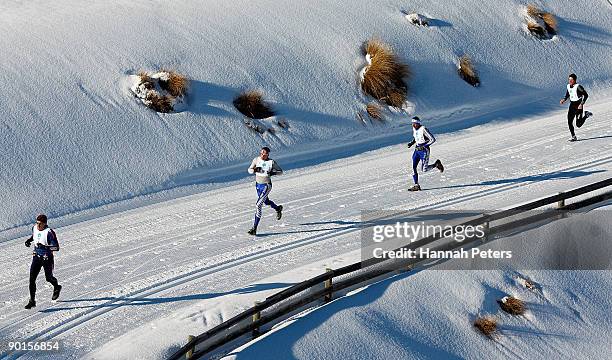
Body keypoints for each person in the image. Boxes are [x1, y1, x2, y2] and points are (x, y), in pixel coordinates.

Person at [24, 214, 62, 309]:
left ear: (45, 224)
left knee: (48, 278)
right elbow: (35, 236)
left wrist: (45, 247)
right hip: (36, 256)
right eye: (37, 223)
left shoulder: (49, 232)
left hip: (47, 258)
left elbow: (56, 247)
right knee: (32, 279)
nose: (38, 225)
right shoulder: (34, 228)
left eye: (40, 224)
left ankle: (57, 287)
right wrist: (29, 240)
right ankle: (32, 301)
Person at [247, 147, 283, 235]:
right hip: (258, 185)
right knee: (266, 202)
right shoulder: (256, 160)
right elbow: (249, 170)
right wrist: (255, 169)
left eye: (265, 154)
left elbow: (281, 171)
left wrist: (273, 173)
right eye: (261, 153)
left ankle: (254, 228)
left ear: (268, 155)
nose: (263, 155)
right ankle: (278, 208)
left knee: (258, 204)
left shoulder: (271, 162)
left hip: (266, 185)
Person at [407, 116, 444, 191]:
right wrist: (412, 143)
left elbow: (432, 139)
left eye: (415, 123)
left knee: (424, 169)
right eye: (412, 123)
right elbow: (416, 137)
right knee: (413, 167)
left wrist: (424, 146)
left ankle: (436, 164)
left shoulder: (423, 129)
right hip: (417, 150)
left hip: (424, 151)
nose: (413, 125)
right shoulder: (414, 129)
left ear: (418, 123)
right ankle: (416, 185)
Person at [560, 73, 591, 141]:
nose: (570, 81)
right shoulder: (568, 86)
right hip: (572, 105)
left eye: (572, 79)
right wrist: (564, 99)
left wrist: (581, 104)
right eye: (569, 79)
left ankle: (586, 115)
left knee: (578, 124)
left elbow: (586, 95)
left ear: (575, 80)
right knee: (569, 121)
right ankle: (573, 136)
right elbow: (568, 94)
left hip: (578, 105)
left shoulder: (578, 87)